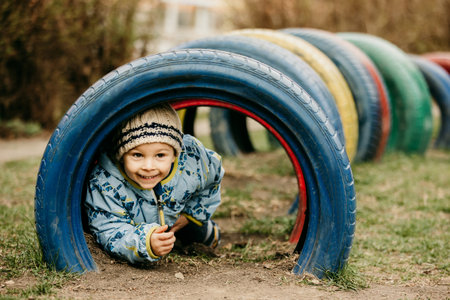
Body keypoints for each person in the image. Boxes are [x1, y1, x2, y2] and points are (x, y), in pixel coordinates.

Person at [84, 103, 224, 264]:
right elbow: (109, 228)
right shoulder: (106, 182)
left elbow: (212, 178)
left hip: (177, 218)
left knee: (205, 237)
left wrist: (191, 215)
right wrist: (146, 242)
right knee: (123, 243)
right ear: (121, 155)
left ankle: (199, 230)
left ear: (174, 154)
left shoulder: (192, 162)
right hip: (133, 227)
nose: (149, 167)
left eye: (160, 155)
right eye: (137, 155)